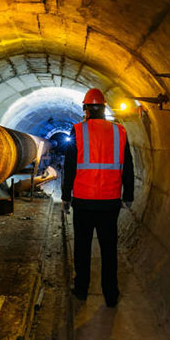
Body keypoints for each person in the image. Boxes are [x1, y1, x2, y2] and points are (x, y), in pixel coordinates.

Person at [62, 88, 134, 307]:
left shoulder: (78, 130)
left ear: (85, 109)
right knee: (109, 249)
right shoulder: (119, 132)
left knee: (82, 247)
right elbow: (128, 167)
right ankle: (111, 294)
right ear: (104, 108)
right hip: (110, 202)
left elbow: (70, 166)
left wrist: (66, 196)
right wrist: (128, 195)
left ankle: (82, 289)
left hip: (83, 201)